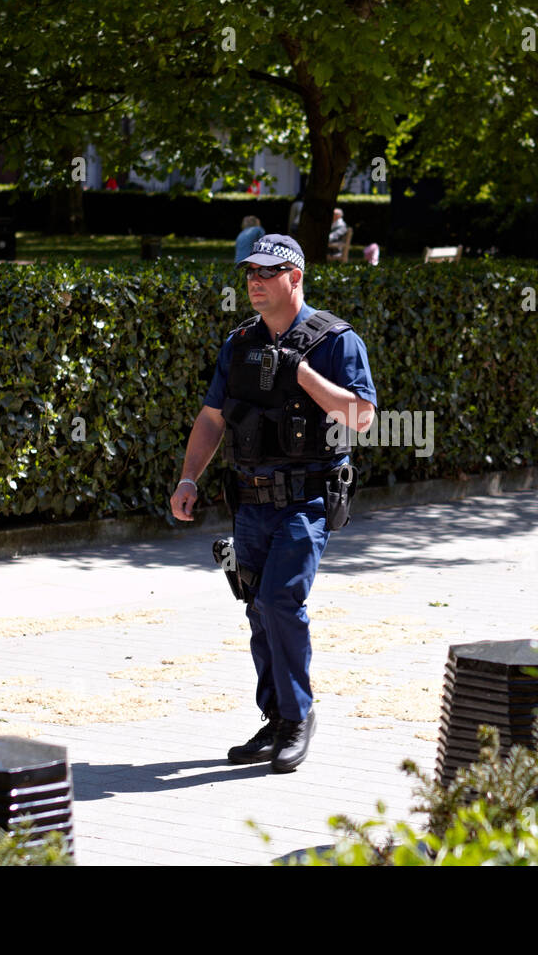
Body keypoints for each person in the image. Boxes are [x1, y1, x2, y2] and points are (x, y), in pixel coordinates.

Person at [171, 234, 377, 773]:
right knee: (257, 607)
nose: (255, 282)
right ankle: (277, 716)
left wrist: (301, 375)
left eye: (267, 272)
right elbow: (213, 417)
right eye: (249, 273)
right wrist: (189, 478)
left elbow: (361, 417)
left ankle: (299, 716)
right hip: (249, 503)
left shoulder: (336, 341)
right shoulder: (238, 344)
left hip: (306, 500)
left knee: (282, 601)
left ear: (295, 277)